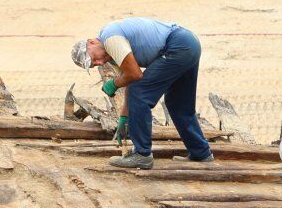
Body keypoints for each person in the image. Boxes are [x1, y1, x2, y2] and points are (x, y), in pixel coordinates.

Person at [70, 17, 214, 169]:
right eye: (93, 65)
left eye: (93, 58)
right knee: (178, 103)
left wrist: (114, 83)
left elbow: (135, 75)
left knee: (140, 93)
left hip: (177, 46)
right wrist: (124, 118)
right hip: (188, 44)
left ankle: (142, 154)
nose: (99, 63)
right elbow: (130, 82)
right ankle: (201, 152)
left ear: (92, 42)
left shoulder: (111, 40)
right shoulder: (112, 53)